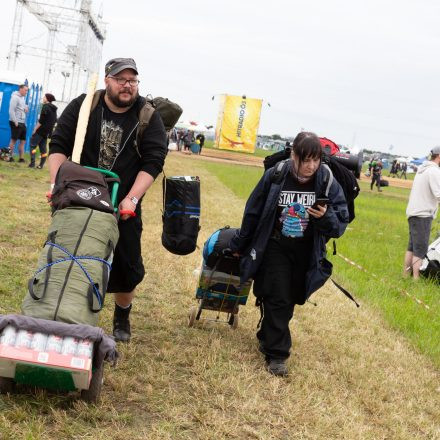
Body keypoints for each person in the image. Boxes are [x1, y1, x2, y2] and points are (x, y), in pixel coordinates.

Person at [48, 57, 167, 342]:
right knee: (67, 253)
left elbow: (153, 162)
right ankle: (64, 305)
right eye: (121, 80)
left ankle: (122, 314)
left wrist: (132, 200)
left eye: (133, 81)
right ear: (107, 81)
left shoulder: (148, 115)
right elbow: (58, 145)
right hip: (80, 196)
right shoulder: (85, 104)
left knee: (126, 265)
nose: (127, 86)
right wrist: (57, 185)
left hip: (122, 201)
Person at [229, 132, 348, 376]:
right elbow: (253, 210)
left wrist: (325, 217)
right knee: (278, 296)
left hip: (306, 251)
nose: (310, 166)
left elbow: (340, 224)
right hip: (275, 247)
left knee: (291, 297)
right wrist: (241, 242)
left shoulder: (326, 180)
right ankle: (277, 354)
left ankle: (267, 334)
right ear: (294, 155)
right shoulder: (276, 175)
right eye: (305, 160)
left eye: (315, 160)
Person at [403, 147, 440, 279]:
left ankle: (405, 275)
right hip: (423, 214)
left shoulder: (422, 169)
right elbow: (438, 194)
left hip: (414, 212)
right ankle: (416, 279)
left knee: (412, 246)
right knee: (421, 248)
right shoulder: (434, 171)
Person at [29, 93, 58, 169]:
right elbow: (55, 120)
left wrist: (35, 129)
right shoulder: (54, 109)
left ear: (47, 99)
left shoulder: (45, 107)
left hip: (40, 131)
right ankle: (40, 166)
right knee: (43, 149)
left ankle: (32, 164)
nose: (43, 98)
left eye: (44, 97)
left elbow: (41, 120)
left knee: (32, 146)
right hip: (46, 133)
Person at [8, 84, 29, 162]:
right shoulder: (15, 97)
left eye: (27, 90)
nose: (26, 92)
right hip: (16, 122)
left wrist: (26, 107)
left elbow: (22, 106)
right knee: (13, 140)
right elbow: (11, 110)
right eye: (25, 90)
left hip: (22, 122)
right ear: (20, 89)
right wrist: (15, 121)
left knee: (23, 141)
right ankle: (9, 157)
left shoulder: (22, 98)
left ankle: (21, 158)